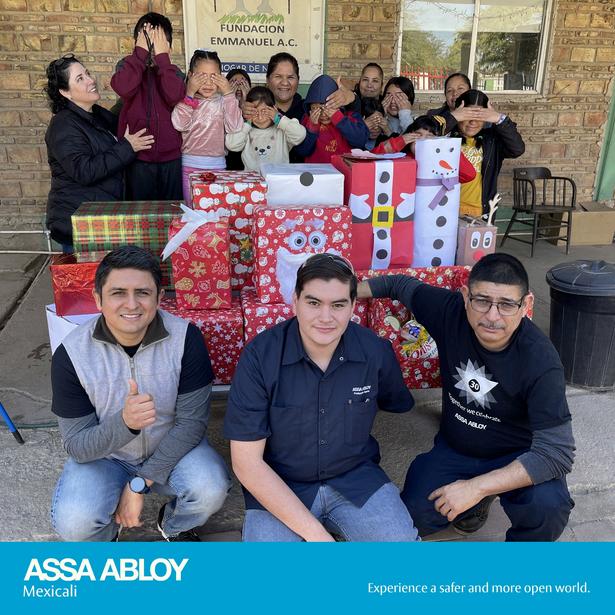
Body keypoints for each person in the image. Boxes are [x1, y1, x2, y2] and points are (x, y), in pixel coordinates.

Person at [358, 253, 575, 542]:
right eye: (482, 300)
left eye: (507, 304)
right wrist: (343, 293)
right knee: (413, 516)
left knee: (548, 507)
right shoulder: (449, 311)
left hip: (515, 455)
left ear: (526, 304)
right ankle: (475, 505)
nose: (492, 316)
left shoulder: (541, 361)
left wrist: (477, 487)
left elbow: (557, 453)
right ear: (465, 296)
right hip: (455, 450)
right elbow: (399, 285)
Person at [224, 254, 419, 542]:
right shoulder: (260, 356)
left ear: (353, 305)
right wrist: (318, 537)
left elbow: (394, 401)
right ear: (295, 301)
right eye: (313, 303)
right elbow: (247, 464)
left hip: (356, 479)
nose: (326, 317)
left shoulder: (375, 352)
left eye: (338, 305)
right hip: (281, 483)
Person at [50, 246, 231, 541]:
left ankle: (173, 525)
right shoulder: (71, 354)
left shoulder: (186, 338)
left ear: (159, 298)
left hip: (172, 448)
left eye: (143, 293)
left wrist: (140, 482)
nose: (132, 304)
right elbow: (77, 446)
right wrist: (126, 424)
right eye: (118, 293)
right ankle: (110, 534)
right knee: (75, 522)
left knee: (209, 488)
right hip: (106, 457)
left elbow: (192, 424)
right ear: (97, 298)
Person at [44, 55, 154, 252]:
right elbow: (84, 171)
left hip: (101, 217)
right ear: (65, 92)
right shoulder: (63, 125)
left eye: (87, 73)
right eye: (80, 79)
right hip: (78, 223)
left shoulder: (97, 114)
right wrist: (128, 148)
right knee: (88, 273)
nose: (90, 80)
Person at [111, 12, 185, 200]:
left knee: (172, 209)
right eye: (147, 42)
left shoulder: (173, 72)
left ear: (169, 47)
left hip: (172, 158)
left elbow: (174, 96)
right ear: (136, 43)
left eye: (158, 43)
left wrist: (163, 60)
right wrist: (139, 55)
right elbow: (124, 88)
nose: (152, 48)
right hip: (138, 156)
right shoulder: (128, 67)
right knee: (140, 210)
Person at [242, 53, 356, 162]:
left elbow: (353, 120)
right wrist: (240, 112)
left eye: (290, 77)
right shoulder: (254, 112)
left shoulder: (308, 109)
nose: (285, 83)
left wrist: (353, 97)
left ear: (298, 80)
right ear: (267, 80)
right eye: (278, 76)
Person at [171, 50, 243, 206]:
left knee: (216, 210)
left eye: (214, 77)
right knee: (192, 209)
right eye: (202, 77)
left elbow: (235, 126)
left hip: (218, 167)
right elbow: (179, 124)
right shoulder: (185, 101)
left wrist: (228, 93)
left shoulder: (223, 101)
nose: (208, 83)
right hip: (189, 167)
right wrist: (189, 94)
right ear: (190, 76)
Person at [451, 89, 525, 217]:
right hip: (447, 208)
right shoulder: (445, 138)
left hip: (480, 211)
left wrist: (499, 119)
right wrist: (452, 117)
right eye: (467, 116)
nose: (473, 122)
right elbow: (430, 131)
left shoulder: (492, 141)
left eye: (479, 116)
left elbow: (517, 149)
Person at [370, 115, 477, 184]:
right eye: (418, 134)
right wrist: (399, 141)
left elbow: (469, 175)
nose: (422, 140)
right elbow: (370, 162)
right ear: (409, 135)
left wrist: (448, 149)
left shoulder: (440, 164)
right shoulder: (400, 157)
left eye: (429, 137)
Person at [225, 86, 306, 172]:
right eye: (255, 112)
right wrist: (247, 124)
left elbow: (300, 135)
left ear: (274, 109)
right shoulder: (246, 131)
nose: (260, 118)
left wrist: (278, 118)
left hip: (278, 177)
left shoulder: (282, 130)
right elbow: (232, 145)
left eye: (265, 112)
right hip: (253, 179)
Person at [294, 74, 369, 163]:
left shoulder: (349, 116)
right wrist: (312, 128)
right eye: (316, 108)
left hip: (344, 169)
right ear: (309, 108)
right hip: (316, 170)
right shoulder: (307, 120)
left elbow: (360, 141)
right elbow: (302, 152)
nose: (323, 114)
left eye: (329, 106)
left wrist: (339, 118)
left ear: (339, 103)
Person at [225, 68, 252, 170]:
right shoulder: (219, 105)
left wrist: (247, 101)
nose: (239, 87)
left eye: (243, 83)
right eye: (234, 83)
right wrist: (229, 98)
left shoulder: (258, 107)